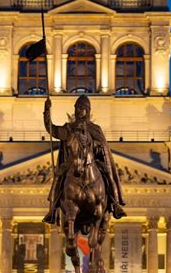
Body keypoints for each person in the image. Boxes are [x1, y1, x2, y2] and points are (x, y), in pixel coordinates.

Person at [43, 95, 126, 225]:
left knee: (109, 175)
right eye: (76, 107)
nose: (77, 110)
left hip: (92, 161)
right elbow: (52, 129)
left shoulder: (95, 129)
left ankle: (115, 203)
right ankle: (52, 210)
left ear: (87, 110)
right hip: (71, 162)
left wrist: (97, 148)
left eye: (81, 108)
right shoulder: (69, 128)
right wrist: (47, 111)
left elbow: (103, 147)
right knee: (58, 176)